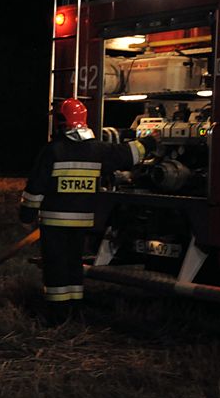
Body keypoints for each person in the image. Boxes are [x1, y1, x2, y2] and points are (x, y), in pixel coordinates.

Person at [19, 98, 158, 324]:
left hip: (55, 223)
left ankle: (57, 315)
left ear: (62, 122)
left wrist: (26, 216)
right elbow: (129, 153)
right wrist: (150, 142)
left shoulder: (53, 151)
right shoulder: (98, 150)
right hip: (82, 223)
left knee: (56, 268)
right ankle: (75, 310)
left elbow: (35, 188)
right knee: (74, 265)